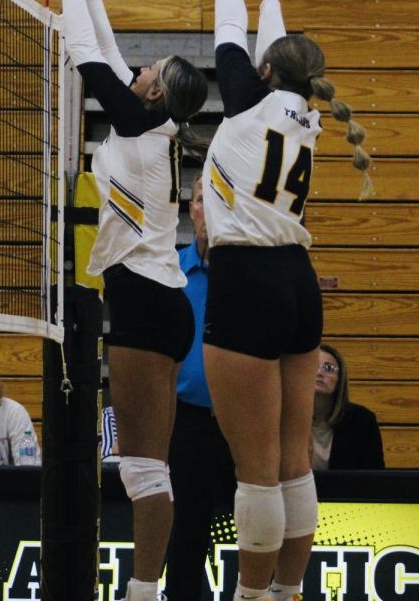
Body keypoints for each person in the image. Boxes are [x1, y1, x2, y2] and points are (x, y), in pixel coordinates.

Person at [202, 0, 372, 601]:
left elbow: (225, 38)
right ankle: (287, 592)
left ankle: (249, 595)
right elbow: (278, 54)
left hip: (246, 279)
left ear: (266, 72)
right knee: (295, 460)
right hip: (299, 284)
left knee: (257, 467)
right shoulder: (307, 117)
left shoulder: (247, 104)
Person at [45, 0, 209, 601]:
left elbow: (88, 51)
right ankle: (148, 590)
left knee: (145, 471)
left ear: (158, 92)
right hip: (155, 299)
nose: (139, 69)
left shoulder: (143, 127)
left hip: (144, 302)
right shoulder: (153, 121)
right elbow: (108, 47)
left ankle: (144, 594)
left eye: (152, 69)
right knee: (149, 468)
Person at [165, 173, 236, 601]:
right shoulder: (171, 269)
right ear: (191, 210)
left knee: (253, 522)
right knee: (187, 529)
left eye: (218, 200)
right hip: (187, 421)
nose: (208, 208)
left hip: (242, 418)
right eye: (200, 200)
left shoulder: (246, 275)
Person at [311, 343, 384, 470]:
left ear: (340, 380)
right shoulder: (282, 419)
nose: (319, 373)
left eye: (328, 368)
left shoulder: (362, 420)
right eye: (312, 366)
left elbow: (375, 479)